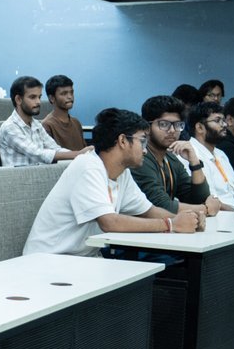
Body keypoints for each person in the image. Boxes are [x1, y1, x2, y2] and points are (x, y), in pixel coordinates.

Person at [24, 108, 201, 256]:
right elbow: (109, 222)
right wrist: (171, 224)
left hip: (83, 259)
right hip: (50, 260)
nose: (145, 150)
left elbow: (148, 211)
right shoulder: (88, 166)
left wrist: (186, 220)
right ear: (122, 141)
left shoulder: (122, 172)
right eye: (142, 141)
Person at [129, 94, 221, 216]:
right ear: (147, 127)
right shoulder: (140, 159)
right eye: (163, 124)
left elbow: (197, 198)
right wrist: (206, 209)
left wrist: (194, 162)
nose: (172, 130)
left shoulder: (170, 158)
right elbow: (161, 205)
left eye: (178, 125)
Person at [188, 101, 234, 213]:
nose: (224, 125)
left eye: (223, 120)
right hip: (219, 216)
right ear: (200, 127)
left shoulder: (220, 153)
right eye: (217, 121)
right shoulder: (190, 154)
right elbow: (210, 201)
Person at [0, 76, 72, 166]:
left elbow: (55, 148)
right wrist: (77, 154)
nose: (38, 102)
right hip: (20, 175)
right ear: (18, 100)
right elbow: (38, 154)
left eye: (39, 97)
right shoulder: (9, 127)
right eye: (33, 97)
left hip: (40, 173)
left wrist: (81, 155)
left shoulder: (37, 125)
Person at [41, 75, 88, 155]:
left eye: (71, 92)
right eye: (64, 93)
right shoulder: (47, 125)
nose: (70, 97)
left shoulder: (76, 122)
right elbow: (49, 156)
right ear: (52, 98)